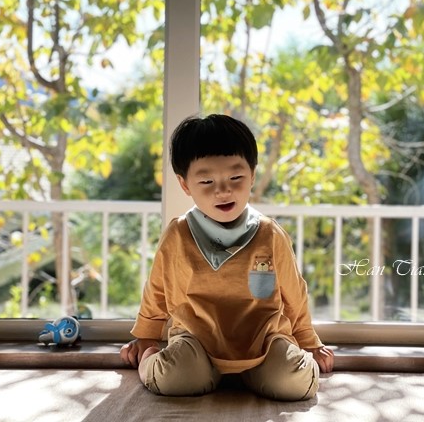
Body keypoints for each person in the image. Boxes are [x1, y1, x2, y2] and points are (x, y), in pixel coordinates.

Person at [120, 113, 334, 400]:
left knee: (298, 382)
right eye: (207, 181)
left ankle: (256, 373)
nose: (223, 190)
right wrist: (146, 338)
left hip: (264, 341)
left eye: (235, 177)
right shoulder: (178, 234)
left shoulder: (270, 234)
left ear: (252, 175)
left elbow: (294, 293)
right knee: (173, 377)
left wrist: (308, 341)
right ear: (185, 185)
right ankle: (153, 362)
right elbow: (157, 288)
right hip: (197, 342)